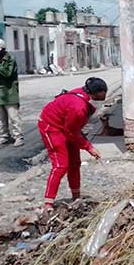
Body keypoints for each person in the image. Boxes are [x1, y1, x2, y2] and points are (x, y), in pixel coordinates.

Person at [38, 77, 106, 210]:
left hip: (66, 127)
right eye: (102, 94)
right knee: (60, 165)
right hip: (51, 127)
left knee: (75, 163)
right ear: (94, 93)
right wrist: (89, 147)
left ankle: (76, 196)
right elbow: (71, 133)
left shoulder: (82, 98)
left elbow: (72, 131)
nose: (104, 97)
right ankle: (48, 203)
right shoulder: (78, 107)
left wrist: (85, 145)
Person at [0, 39, 24, 147]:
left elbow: (8, 74)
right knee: (0, 117)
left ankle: (18, 137)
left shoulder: (10, 59)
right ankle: (4, 135)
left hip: (9, 92)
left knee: (13, 116)